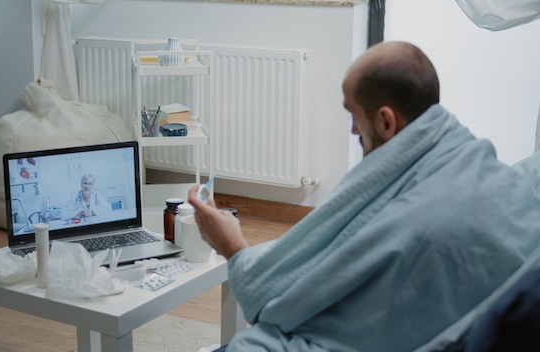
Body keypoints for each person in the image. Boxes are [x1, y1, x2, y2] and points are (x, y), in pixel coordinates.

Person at [187, 41, 540, 351]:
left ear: (386, 121)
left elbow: (274, 300)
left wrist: (232, 247)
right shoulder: (475, 162)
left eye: (353, 115)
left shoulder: (412, 222)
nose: (354, 129)